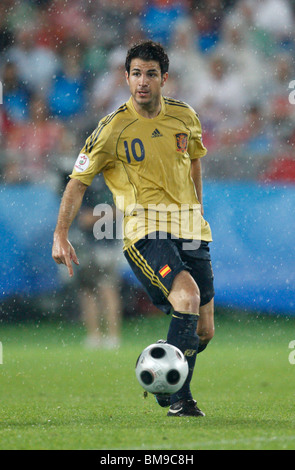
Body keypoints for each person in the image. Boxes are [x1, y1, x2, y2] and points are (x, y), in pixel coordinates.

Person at [52, 40, 215, 418]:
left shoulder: (185, 116)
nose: (143, 81)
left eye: (151, 74)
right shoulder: (111, 129)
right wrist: (60, 233)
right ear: (126, 78)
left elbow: (194, 163)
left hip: (190, 228)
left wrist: (198, 211)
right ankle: (179, 398)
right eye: (136, 74)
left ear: (164, 78)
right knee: (187, 297)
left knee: (203, 330)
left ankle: (162, 361)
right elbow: (77, 182)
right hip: (145, 230)